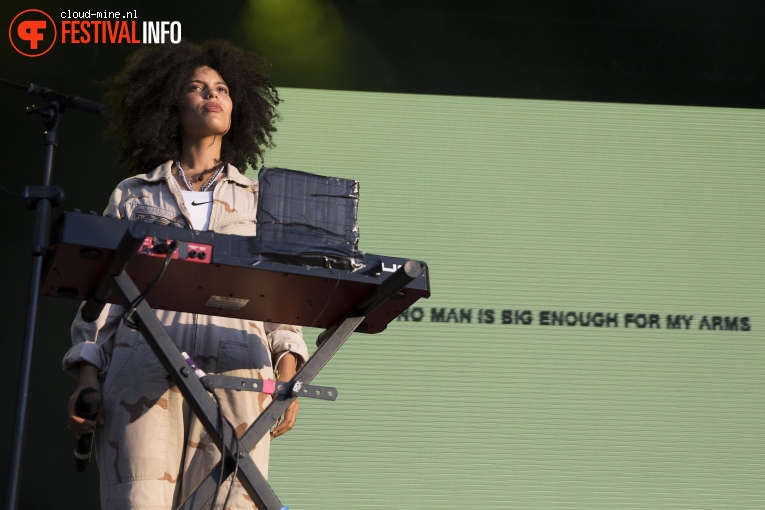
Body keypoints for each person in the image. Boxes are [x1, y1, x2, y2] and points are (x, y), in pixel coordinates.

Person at [63, 40, 309, 509]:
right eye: (196, 87)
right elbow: (102, 295)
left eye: (221, 88)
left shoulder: (259, 200)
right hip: (144, 364)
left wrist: (288, 372)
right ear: (172, 104)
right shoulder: (134, 195)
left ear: (237, 109)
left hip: (240, 366)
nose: (210, 95)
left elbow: (283, 299)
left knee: (233, 502)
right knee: (140, 500)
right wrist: (87, 376)